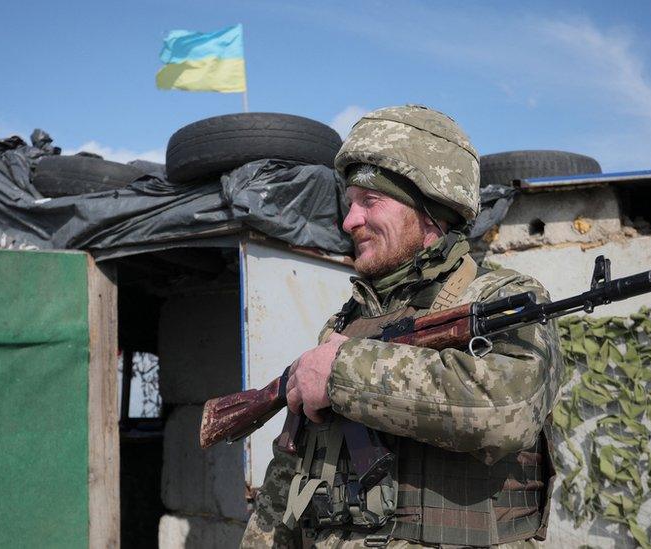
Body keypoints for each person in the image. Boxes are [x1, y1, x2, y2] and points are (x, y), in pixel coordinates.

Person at [241, 105, 562, 548]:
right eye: (350, 203)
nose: (349, 221)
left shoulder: (500, 299)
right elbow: (292, 470)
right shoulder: (347, 322)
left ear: (431, 211)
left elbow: (506, 411)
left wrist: (340, 373)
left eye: (370, 202)